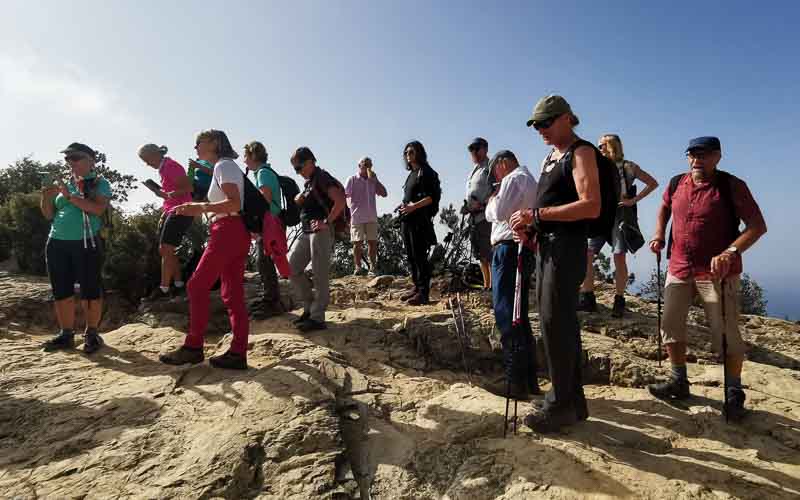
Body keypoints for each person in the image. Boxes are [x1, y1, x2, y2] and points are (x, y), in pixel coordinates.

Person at [648, 136, 767, 420]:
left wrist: (730, 251)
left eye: (703, 154)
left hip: (714, 275)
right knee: (670, 325)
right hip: (679, 267)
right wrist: (658, 234)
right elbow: (664, 208)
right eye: (692, 154)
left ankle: (733, 392)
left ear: (718, 157)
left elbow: (757, 226)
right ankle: (678, 381)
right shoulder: (677, 183)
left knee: (724, 332)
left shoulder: (731, 186)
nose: (696, 160)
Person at [511, 95, 600, 433]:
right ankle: (572, 402)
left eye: (546, 123)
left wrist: (536, 215)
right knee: (558, 324)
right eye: (536, 125)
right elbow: (549, 208)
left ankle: (561, 404)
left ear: (566, 118)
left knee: (555, 323)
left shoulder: (581, 153)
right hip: (548, 246)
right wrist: (532, 228)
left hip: (567, 248)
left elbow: (590, 205)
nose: (540, 130)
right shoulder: (552, 157)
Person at [159, 129, 251, 370]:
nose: (196, 147)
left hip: (227, 230)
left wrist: (199, 207)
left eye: (198, 142)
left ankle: (193, 347)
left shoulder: (223, 166)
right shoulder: (227, 166)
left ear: (214, 142)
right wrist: (197, 206)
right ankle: (238, 353)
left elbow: (234, 203)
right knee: (232, 294)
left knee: (196, 285)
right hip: (236, 231)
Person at [39, 142, 111, 354]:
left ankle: (92, 334)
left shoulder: (99, 183)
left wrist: (69, 196)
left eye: (76, 157)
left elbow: (97, 209)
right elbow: (48, 214)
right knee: (61, 289)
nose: (71, 162)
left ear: (91, 160)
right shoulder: (65, 183)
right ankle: (66, 334)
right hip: (56, 241)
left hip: (86, 240)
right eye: (68, 158)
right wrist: (46, 195)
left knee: (90, 289)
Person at [579, 134, 659, 317]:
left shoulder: (628, 166)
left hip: (619, 216)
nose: (599, 149)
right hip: (599, 216)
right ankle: (587, 297)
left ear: (611, 146)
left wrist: (633, 200)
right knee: (587, 254)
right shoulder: (597, 166)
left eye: (601, 145)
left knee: (619, 256)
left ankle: (619, 299)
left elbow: (652, 183)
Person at [484, 150, 540, 399]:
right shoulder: (529, 179)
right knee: (520, 315)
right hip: (521, 248)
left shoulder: (512, 178)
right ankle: (529, 379)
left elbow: (497, 212)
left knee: (506, 313)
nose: (494, 178)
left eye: (494, 171)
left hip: (507, 249)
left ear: (502, 163)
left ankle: (514, 380)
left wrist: (492, 200)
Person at [289, 147, 347, 332]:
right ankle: (309, 308)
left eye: (298, 168)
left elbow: (340, 200)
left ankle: (317, 317)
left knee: (319, 273)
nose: (297, 172)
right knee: (292, 268)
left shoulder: (322, 177)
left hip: (320, 231)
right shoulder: (310, 182)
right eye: (295, 169)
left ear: (309, 162)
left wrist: (326, 222)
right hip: (307, 231)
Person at [138, 144, 194, 301]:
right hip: (173, 209)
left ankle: (164, 289)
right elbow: (175, 192)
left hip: (181, 210)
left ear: (155, 155)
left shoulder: (171, 166)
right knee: (167, 250)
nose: (147, 164)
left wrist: (168, 194)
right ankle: (178, 285)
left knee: (165, 249)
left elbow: (188, 188)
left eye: (146, 160)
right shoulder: (164, 168)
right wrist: (161, 194)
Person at [243, 140, 285, 319]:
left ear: (253, 155)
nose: (244, 160)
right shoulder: (264, 172)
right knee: (264, 261)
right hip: (271, 221)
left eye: (245, 156)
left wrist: (254, 223)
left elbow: (264, 200)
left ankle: (272, 302)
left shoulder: (263, 173)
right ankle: (270, 298)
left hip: (269, 222)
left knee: (264, 261)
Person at [398, 141, 441, 306]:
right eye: (406, 153)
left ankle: (423, 293)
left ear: (419, 153)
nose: (408, 155)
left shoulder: (427, 172)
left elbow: (431, 198)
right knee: (411, 256)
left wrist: (413, 206)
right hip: (407, 219)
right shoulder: (412, 174)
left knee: (419, 256)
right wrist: (404, 205)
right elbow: (410, 197)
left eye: (411, 152)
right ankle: (416, 287)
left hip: (420, 221)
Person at [345, 156, 387, 276]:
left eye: (369, 164)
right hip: (356, 216)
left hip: (371, 217)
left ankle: (372, 268)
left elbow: (384, 193)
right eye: (365, 163)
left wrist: (376, 180)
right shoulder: (352, 179)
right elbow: (345, 196)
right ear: (359, 166)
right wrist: (347, 214)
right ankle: (358, 267)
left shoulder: (372, 180)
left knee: (372, 243)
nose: (368, 165)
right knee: (357, 243)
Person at [462, 137, 494, 290]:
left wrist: (482, 204)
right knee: (480, 254)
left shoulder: (491, 167)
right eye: (471, 149)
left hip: (486, 216)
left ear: (485, 149)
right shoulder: (473, 171)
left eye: (476, 148)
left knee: (489, 253)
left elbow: (498, 190)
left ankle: (494, 286)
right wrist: (467, 207)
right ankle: (487, 285)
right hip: (473, 218)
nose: (473, 152)